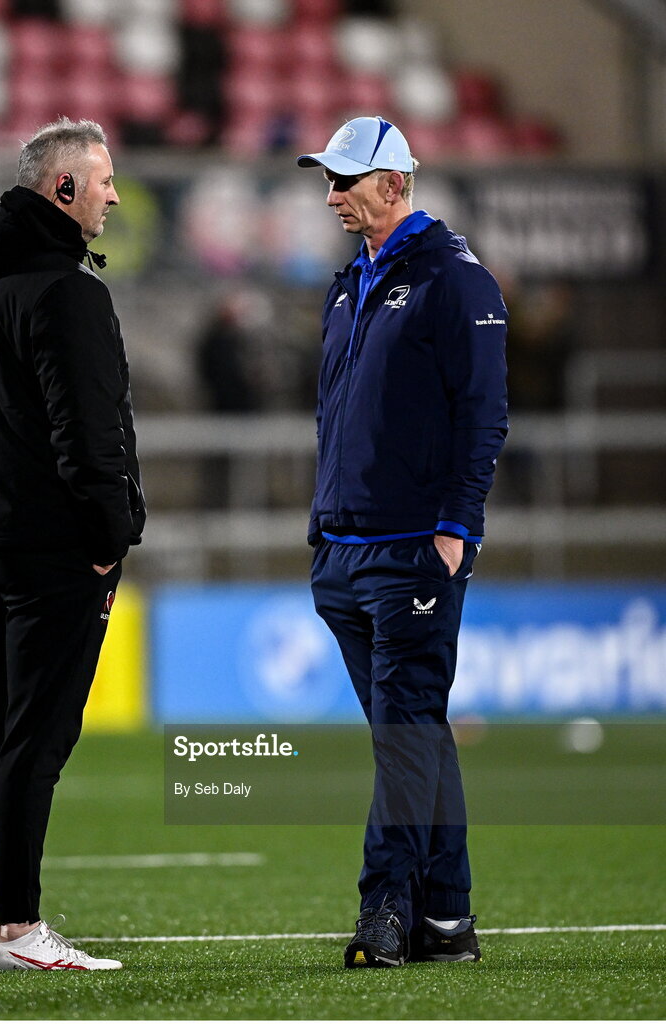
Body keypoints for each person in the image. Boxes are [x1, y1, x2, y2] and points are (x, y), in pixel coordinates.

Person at [0, 117, 145, 972]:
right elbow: (89, 431)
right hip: (58, 544)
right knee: (36, 738)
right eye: (102, 182)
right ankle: (17, 928)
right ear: (62, 190)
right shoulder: (67, 291)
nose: (114, 196)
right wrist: (109, 533)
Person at [298, 116, 508, 968]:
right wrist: (322, 530)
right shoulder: (349, 286)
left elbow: (485, 416)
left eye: (345, 179)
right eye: (329, 179)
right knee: (414, 737)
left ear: (397, 183)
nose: (331, 194)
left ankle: (386, 910)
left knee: (403, 738)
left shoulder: (458, 282)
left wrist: (457, 529)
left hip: (414, 549)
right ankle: (448, 918)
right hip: (345, 553)